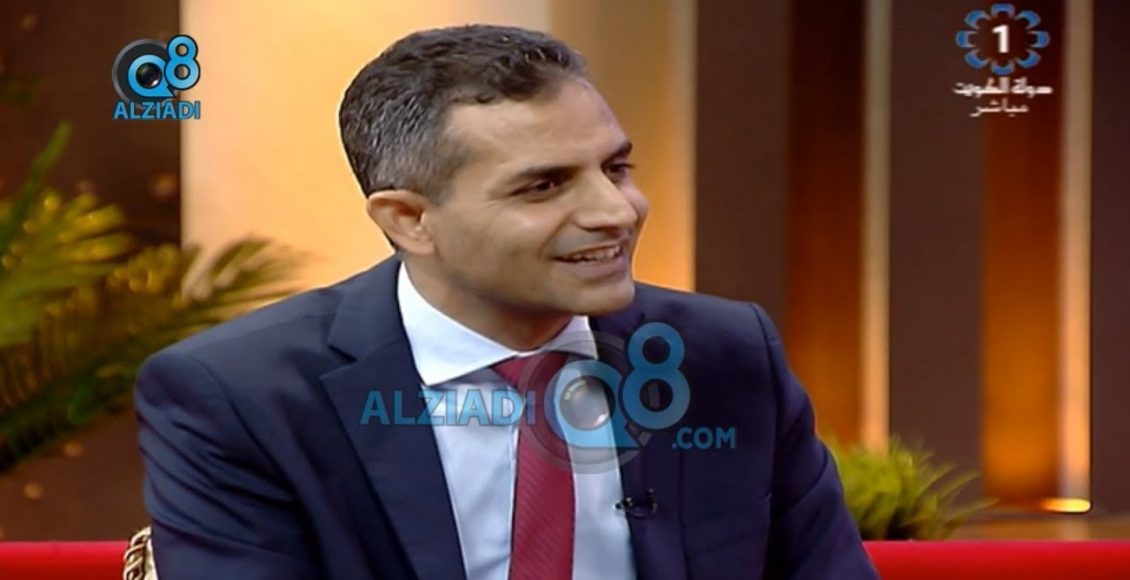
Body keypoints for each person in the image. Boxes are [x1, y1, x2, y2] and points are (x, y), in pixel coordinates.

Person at [135, 24, 877, 580]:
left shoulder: (724, 355)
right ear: (409, 220)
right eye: (544, 186)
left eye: (616, 168)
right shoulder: (241, 397)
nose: (616, 211)